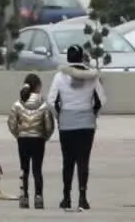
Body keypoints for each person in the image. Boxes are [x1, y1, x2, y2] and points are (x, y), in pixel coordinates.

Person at [46, 45, 107, 211]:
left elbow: (51, 101)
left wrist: (60, 117)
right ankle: (82, 197)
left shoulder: (59, 77)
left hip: (67, 123)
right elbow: (101, 100)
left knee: (68, 161)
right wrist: (93, 115)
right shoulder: (92, 77)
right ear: (82, 57)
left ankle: (66, 197)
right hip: (86, 124)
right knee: (83, 161)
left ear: (68, 58)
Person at [7, 73, 55, 209]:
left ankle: (24, 197)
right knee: (37, 169)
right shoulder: (44, 104)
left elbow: (11, 123)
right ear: (38, 87)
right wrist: (45, 136)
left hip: (22, 140)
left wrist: (19, 134)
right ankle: (38, 196)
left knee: (24, 169)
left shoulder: (17, 104)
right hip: (38, 140)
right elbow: (49, 125)